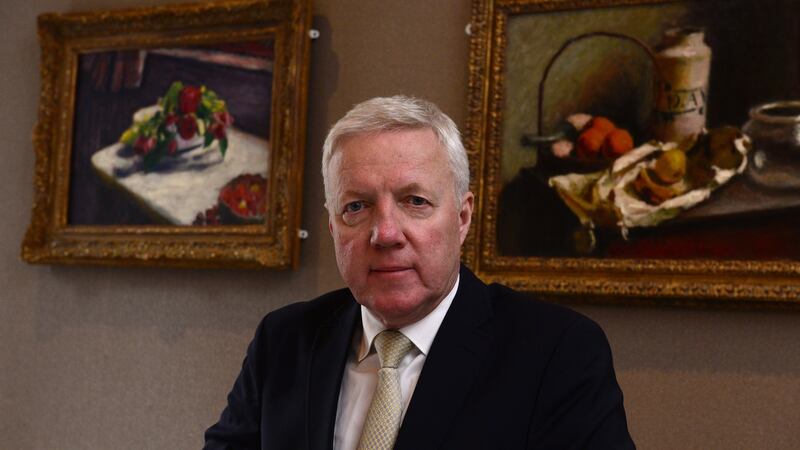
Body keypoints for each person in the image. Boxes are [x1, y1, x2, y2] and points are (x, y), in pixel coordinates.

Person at [204, 96, 635, 449]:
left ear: (462, 218)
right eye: (357, 206)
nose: (386, 233)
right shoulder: (283, 341)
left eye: (415, 201)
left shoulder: (558, 353)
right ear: (333, 225)